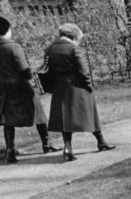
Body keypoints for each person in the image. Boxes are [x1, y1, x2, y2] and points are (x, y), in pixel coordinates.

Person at [0, 14, 56, 163]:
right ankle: (46, 143)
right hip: (19, 84)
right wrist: (32, 72)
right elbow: (23, 69)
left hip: (2, 85)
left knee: (7, 118)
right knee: (38, 112)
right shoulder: (13, 47)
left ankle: (10, 150)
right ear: (7, 30)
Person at [43, 22, 114, 162]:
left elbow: (47, 70)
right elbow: (83, 71)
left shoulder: (50, 49)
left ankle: (68, 147)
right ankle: (101, 141)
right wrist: (89, 86)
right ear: (74, 36)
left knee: (65, 119)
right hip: (77, 86)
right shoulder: (74, 49)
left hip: (59, 87)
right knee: (90, 113)